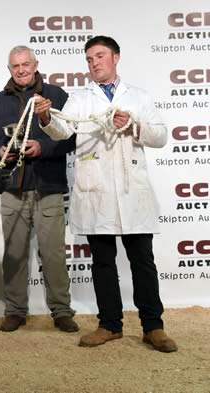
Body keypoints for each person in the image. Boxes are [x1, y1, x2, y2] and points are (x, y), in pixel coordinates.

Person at [38, 35, 177, 352]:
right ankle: (109, 325)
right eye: (89, 59)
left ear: (116, 57)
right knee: (102, 262)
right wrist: (47, 117)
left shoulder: (138, 97)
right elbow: (64, 131)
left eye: (99, 55)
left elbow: (161, 136)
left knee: (143, 261)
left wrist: (133, 124)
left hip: (132, 192)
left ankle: (153, 327)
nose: (94, 62)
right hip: (96, 191)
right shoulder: (79, 98)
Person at [0, 45, 79, 333]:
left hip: (48, 186)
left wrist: (43, 147)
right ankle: (15, 310)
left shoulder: (57, 95)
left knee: (54, 253)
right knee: (14, 252)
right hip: (12, 187)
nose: (21, 70)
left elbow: (71, 139)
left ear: (36, 65)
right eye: (15, 66)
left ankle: (61, 310)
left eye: (26, 64)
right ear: (9, 70)